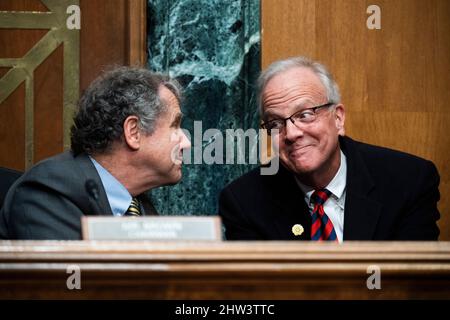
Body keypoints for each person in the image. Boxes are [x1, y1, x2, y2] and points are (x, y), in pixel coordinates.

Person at [219, 56, 440, 241]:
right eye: (275, 123)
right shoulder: (245, 201)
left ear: (338, 118)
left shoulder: (408, 181)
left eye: (305, 115)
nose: (292, 133)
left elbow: (413, 284)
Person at [0, 67, 191, 239]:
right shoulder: (48, 190)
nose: (187, 143)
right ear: (134, 132)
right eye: (174, 126)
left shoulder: (141, 206)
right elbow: (70, 277)